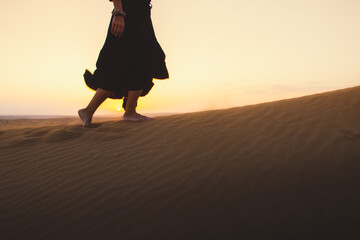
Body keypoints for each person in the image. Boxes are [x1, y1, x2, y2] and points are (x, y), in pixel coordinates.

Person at [78, 0, 169, 127]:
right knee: (143, 59)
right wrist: (118, 13)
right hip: (128, 12)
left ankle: (88, 111)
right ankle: (129, 112)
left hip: (140, 13)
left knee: (124, 63)